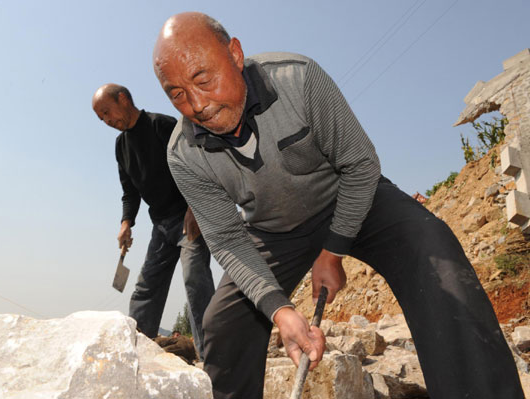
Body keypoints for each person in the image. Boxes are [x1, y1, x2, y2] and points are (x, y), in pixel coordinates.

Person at [152, 12, 525, 399]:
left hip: (352, 197)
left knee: (432, 248)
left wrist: (333, 251)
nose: (197, 104)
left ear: (235, 54)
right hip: (273, 231)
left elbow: (361, 164)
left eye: (203, 79)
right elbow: (228, 239)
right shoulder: (183, 154)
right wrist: (280, 310)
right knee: (222, 324)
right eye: (177, 94)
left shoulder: (298, 79)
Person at [92, 83, 215, 358]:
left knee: (195, 280)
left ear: (123, 99)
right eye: (101, 118)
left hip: (188, 218)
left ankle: (212, 358)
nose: (107, 121)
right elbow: (129, 191)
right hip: (161, 226)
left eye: (107, 112)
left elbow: (197, 164)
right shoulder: (120, 145)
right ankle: (135, 356)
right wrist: (126, 222)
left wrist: (195, 206)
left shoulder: (162, 125)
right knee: (145, 289)